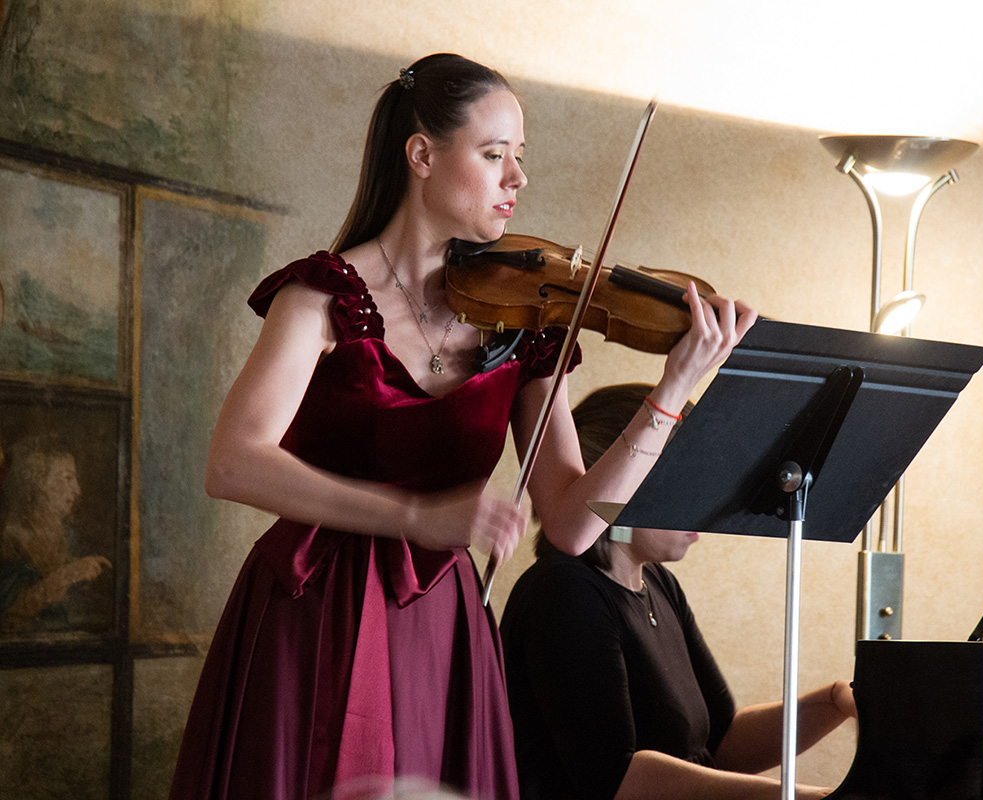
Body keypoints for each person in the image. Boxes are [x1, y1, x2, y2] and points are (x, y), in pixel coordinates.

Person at [169, 54, 756, 800]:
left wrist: (670, 392)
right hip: (314, 608)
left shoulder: (526, 322)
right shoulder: (319, 297)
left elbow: (574, 525)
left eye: (520, 157)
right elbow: (233, 462)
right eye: (494, 154)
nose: (518, 178)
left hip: (438, 625)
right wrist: (416, 515)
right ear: (422, 155)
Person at [501, 384, 855, 800]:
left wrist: (835, 701)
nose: (702, 502)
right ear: (617, 478)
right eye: (684, 479)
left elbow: (720, 743)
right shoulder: (564, 593)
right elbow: (617, 780)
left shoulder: (657, 582)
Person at [0, 434, 110, 632]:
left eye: (75, 479)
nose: (77, 490)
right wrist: (68, 575)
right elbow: (10, 608)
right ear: (38, 481)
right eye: (67, 478)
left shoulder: (71, 538)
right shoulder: (13, 537)